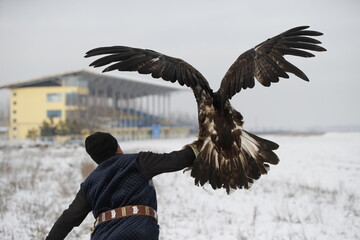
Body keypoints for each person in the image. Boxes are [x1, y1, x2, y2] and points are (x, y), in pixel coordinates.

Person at [46, 132, 200, 240]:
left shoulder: (89, 184)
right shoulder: (138, 161)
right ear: (118, 147)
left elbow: (67, 220)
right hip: (139, 232)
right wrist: (205, 144)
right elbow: (178, 159)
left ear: (95, 159)